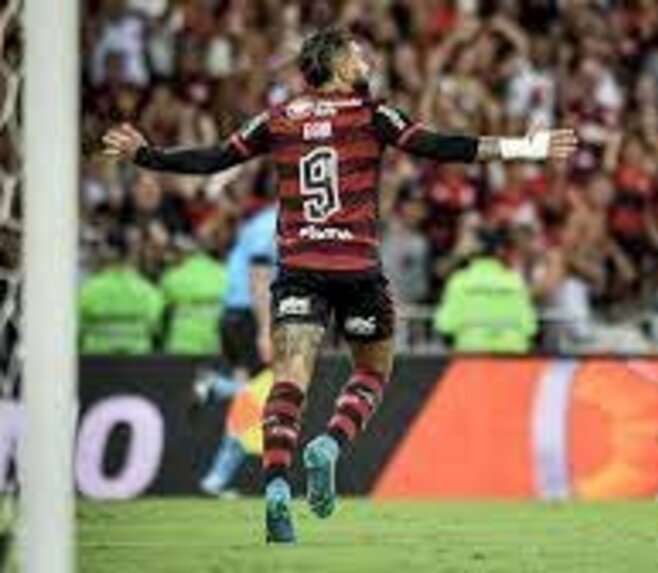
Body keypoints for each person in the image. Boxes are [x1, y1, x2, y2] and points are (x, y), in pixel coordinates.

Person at [102, 27, 577, 543]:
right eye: (355, 53)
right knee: (372, 371)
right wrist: (525, 147)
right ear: (335, 65)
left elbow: (214, 158)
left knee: (288, 384)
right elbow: (445, 147)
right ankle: (329, 443)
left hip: (301, 268)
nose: (365, 57)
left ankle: (278, 490)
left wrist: (146, 156)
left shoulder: (278, 118)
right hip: (356, 270)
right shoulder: (373, 114)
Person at [192, 204, 277, 496]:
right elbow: (259, 276)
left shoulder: (258, 224)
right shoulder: (271, 226)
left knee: (248, 402)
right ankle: (215, 385)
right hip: (250, 316)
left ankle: (216, 479)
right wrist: (266, 329)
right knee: (261, 394)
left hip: (234, 316)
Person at [434, 228, 538, 353]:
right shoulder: (515, 281)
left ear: (471, 253)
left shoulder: (460, 281)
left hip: (471, 354)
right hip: (512, 354)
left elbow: (445, 325)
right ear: (499, 252)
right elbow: (530, 327)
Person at [79, 234, 165, 355]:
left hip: (97, 360)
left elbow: (78, 326)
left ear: (105, 257)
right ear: (131, 257)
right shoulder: (148, 291)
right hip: (137, 361)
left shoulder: (89, 289)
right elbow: (155, 326)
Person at [159, 236, 228, 355]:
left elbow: (160, 314)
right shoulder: (223, 273)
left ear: (182, 253)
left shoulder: (172, 277)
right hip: (214, 344)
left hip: (181, 345)